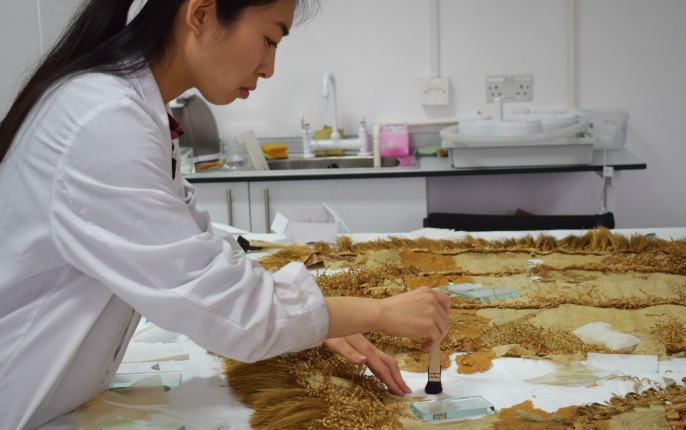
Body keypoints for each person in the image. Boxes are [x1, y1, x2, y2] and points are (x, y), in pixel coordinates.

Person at [0, 0, 451, 428]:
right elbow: (233, 312)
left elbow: (203, 253)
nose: (269, 67)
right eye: (270, 40)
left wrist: (318, 321)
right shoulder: (103, 120)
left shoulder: (128, 109)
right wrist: (377, 312)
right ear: (201, 13)